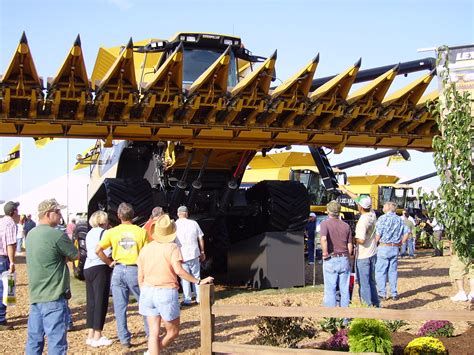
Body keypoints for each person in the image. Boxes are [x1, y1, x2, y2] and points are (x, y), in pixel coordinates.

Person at [137, 214, 214, 355]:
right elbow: (179, 271)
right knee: (172, 332)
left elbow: (140, 276)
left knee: (153, 333)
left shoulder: (145, 249)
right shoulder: (172, 248)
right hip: (166, 291)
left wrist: (144, 290)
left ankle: (152, 351)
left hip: (147, 291)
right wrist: (198, 281)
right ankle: (154, 351)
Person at [25, 199, 79, 354]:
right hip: (54, 296)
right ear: (48, 214)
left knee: (34, 341)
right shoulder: (56, 235)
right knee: (57, 343)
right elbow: (75, 255)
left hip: (36, 296)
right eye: (58, 212)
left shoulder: (30, 235)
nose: (60, 215)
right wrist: (64, 257)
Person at [95, 202, 149, 348]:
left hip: (118, 269)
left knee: (120, 307)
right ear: (133, 215)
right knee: (144, 304)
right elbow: (147, 253)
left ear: (118, 215)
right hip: (135, 269)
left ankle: (124, 339)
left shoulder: (112, 232)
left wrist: (109, 262)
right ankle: (150, 334)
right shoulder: (141, 232)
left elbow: (97, 250)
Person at [341, 188, 379, 307]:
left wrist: (353, 238)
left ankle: (366, 308)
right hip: (373, 252)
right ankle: (376, 305)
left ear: (360, 207)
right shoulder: (372, 213)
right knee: (372, 282)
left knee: (364, 283)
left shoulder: (362, 221)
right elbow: (357, 198)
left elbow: (361, 240)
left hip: (363, 255)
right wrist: (345, 190)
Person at [83, 211, 113, 348]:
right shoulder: (105, 233)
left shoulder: (90, 233)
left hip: (88, 267)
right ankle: (98, 335)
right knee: (101, 301)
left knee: (92, 301)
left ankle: (90, 333)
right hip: (100, 266)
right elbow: (102, 251)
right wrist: (109, 262)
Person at [374, 201, 410, 301]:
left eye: (384, 206)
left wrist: (374, 245)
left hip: (384, 247)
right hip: (394, 248)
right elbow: (407, 233)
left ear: (389, 207)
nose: (383, 207)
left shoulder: (382, 218)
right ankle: (394, 293)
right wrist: (400, 243)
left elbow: (378, 234)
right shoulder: (399, 219)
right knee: (392, 271)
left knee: (381, 271)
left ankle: (382, 293)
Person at [320, 201, 353, 308]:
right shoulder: (346, 226)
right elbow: (349, 245)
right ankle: (345, 318)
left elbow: (324, 238)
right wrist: (349, 257)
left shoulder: (325, 224)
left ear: (328, 211)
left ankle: (332, 318)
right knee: (344, 289)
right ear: (339, 211)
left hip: (331, 257)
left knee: (330, 289)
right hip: (344, 257)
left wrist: (325, 253)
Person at [175, 206, 205, 306]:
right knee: (196, 276)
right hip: (194, 254)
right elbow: (200, 238)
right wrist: (202, 251)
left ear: (178, 214)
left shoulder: (174, 225)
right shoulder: (194, 223)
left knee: (185, 278)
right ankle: (199, 298)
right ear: (187, 213)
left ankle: (187, 299)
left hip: (182, 256)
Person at [0, 201, 19, 331]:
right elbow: (10, 244)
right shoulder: (10, 223)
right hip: (3, 258)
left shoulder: (1, 221)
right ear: (13, 212)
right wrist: (12, 262)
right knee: (4, 288)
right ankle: (1, 319)